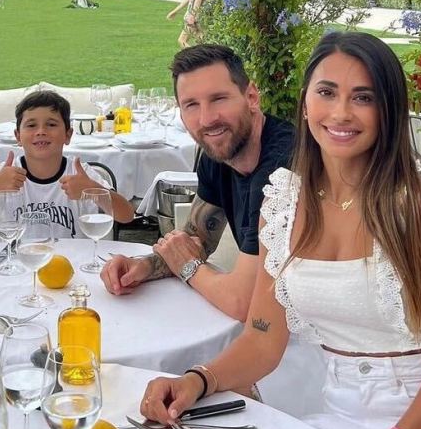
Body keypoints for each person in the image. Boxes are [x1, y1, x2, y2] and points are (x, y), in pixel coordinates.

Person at [139, 32, 421, 429]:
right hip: (338, 421)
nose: (340, 114)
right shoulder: (283, 203)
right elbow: (261, 339)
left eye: (363, 98)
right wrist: (195, 379)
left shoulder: (417, 206)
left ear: (388, 110)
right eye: (327, 92)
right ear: (305, 101)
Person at [102, 44, 294, 320]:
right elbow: (198, 238)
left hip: (320, 342)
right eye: (191, 105)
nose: (206, 119)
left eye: (219, 99)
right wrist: (143, 266)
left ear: (251, 96)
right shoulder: (217, 156)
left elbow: (243, 302)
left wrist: (189, 268)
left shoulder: (281, 168)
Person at [0, 89, 136, 237]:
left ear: (68, 135)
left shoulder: (81, 174)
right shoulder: (7, 175)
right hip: (22, 264)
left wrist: (93, 190)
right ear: (18, 136)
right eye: (31, 125)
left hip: (72, 265)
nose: (41, 131)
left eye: (51, 124)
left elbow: (126, 215)